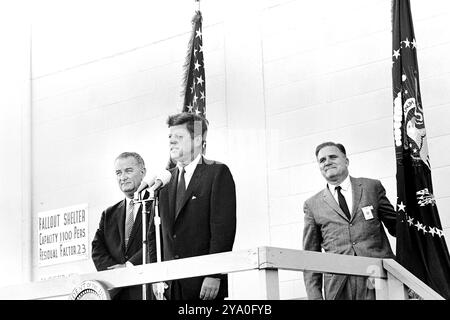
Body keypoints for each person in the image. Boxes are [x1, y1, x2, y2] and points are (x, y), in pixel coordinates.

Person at [148, 112, 236, 300]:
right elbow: (153, 235)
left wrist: (214, 274)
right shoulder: (164, 180)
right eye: (170, 137)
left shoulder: (217, 173)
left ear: (197, 140)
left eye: (179, 137)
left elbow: (223, 230)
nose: (172, 142)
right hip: (168, 287)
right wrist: (155, 276)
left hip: (204, 286)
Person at [302, 141, 397, 300]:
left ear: (346, 161)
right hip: (339, 285)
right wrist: (315, 296)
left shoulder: (371, 187)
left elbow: (397, 228)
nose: (327, 162)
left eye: (333, 156)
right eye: (322, 160)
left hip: (377, 276)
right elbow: (310, 255)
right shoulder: (312, 205)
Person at [92, 152, 150, 300]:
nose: (123, 177)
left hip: (146, 289)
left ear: (143, 172)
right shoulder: (109, 214)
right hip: (118, 293)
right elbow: (97, 250)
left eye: (128, 171)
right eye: (118, 173)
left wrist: (129, 266)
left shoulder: (156, 204)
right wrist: (116, 275)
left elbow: (156, 241)